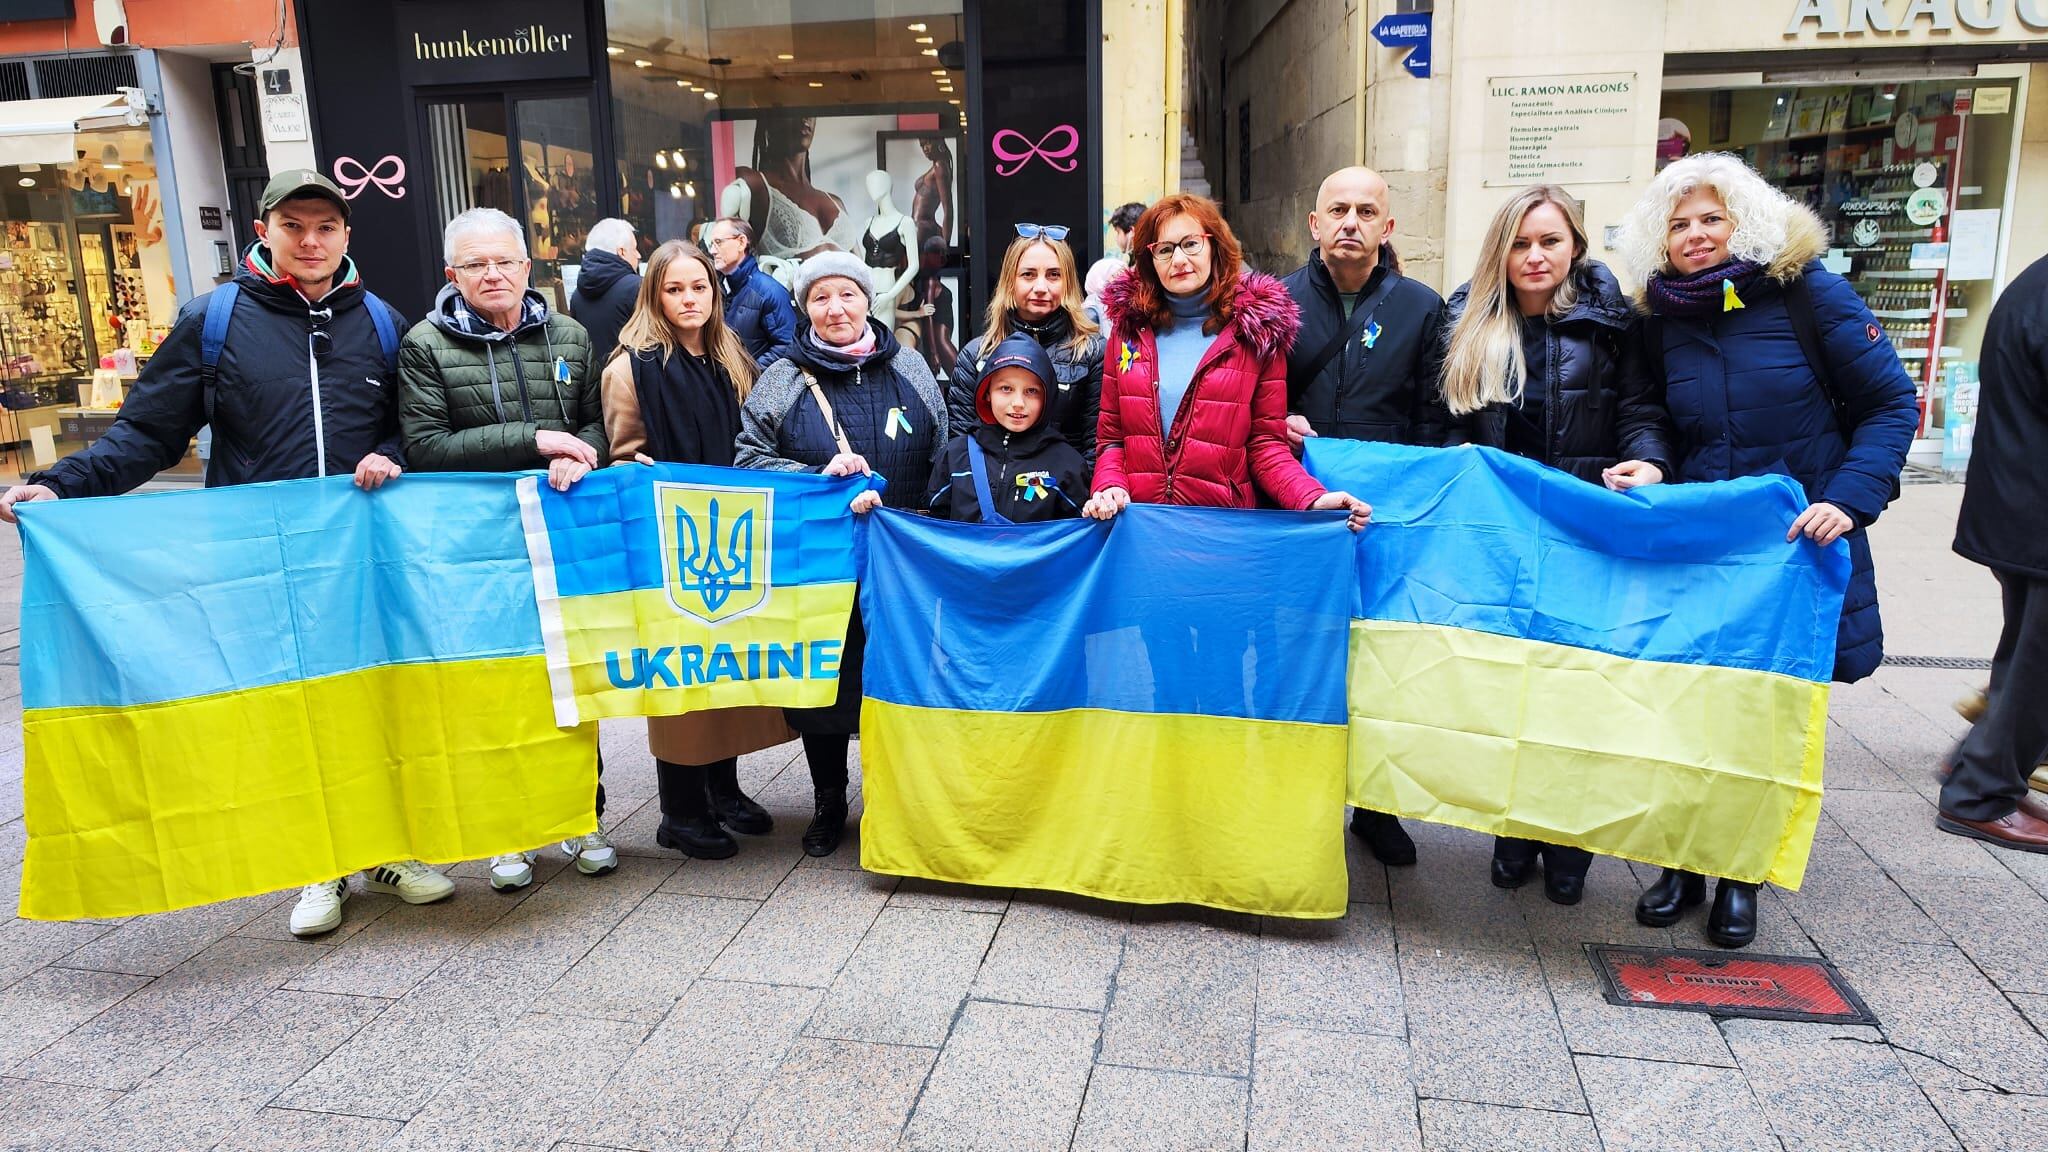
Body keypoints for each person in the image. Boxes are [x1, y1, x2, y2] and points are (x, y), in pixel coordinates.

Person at [0, 170, 450, 939]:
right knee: (289, 704)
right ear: (264, 227)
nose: (310, 243)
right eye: (294, 227)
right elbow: (149, 433)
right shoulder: (215, 320)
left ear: (347, 235)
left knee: (374, 697)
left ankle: (385, 845)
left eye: (326, 228)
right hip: (258, 557)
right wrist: (59, 485)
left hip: (357, 555)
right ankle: (317, 860)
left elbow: (409, 427)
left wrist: (389, 452)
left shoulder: (380, 321)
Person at [1619, 152, 1917, 948]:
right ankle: (1679, 863)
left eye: (1710, 218)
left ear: (1742, 220)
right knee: (1683, 707)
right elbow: (1648, 409)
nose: (1694, 235)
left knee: (1762, 718)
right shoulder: (1659, 316)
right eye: (1678, 223)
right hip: (1699, 545)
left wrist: (1845, 502)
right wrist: (1649, 457)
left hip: (1791, 548)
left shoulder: (1808, 292)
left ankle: (1741, 877)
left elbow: (1892, 403)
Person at [1440, 185, 1676, 906]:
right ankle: (1515, 827)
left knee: (1576, 686)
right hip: (1503, 534)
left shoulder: (1614, 322)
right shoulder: (1467, 320)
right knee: (1511, 684)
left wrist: (1652, 463)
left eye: (1549, 241)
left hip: (1585, 531)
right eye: (1520, 243)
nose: (1534, 256)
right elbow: (1442, 426)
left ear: (1575, 243)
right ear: (1500, 251)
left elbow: (1641, 410)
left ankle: (1568, 837)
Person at [398, 205, 612, 891]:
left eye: (504, 261)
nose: (492, 274)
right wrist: (536, 441)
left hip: (559, 539)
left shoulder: (572, 336)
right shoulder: (425, 345)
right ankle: (507, 836)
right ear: (451, 273)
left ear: (529, 267)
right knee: (492, 686)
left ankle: (581, 816)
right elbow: (425, 448)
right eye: (475, 264)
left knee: (571, 682)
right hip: (474, 550)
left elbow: (597, 427)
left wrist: (585, 458)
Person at [736, 251, 948, 856]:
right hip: (820, 565)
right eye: (821, 298)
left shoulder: (908, 365)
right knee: (825, 687)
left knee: (898, 678)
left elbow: (942, 449)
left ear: (867, 300)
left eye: (847, 295)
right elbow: (748, 460)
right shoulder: (782, 376)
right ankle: (829, 800)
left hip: (900, 560)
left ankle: (892, 798)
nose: (836, 309)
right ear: (804, 307)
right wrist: (816, 473)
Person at [600, 240, 794, 860]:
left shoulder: (733, 355)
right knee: (681, 677)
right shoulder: (629, 366)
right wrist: (637, 466)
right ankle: (680, 810)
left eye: (700, 288)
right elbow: (622, 455)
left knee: (728, 665)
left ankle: (723, 789)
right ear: (654, 295)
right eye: (675, 289)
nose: (689, 299)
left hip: (733, 533)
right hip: (669, 539)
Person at [1280, 166, 1450, 867]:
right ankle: (1302, 797)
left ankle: (1376, 809)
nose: (1351, 221)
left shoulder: (1422, 306)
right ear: (1315, 225)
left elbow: (1437, 415)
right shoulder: (1274, 302)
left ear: (1388, 228)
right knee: (1300, 657)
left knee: (1384, 665)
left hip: (1386, 520)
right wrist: (1274, 420)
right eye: (1338, 209)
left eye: (1366, 210)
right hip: (1298, 516)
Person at [1084, 192, 1370, 527]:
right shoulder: (1128, 331)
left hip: (1224, 530)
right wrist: (1109, 486)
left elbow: (1266, 446)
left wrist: (1312, 497)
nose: (1178, 259)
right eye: (1164, 249)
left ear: (1214, 246)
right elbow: (1112, 441)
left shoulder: (1257, 333)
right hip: (1142, 528)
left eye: (1191, 244)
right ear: (1150, 260)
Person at [1937, 252, 2048, 852]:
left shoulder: (2037, 277)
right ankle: (1978, 793)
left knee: (2027, 660)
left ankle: (1975, 768)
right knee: (2037, 668)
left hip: (2022, 504)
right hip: (2034, 510)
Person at [946, 226, 1104, 463]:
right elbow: (961, 448)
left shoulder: (1092, 351)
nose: (1041, 287)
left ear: (1068, 282)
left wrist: (1077, 496)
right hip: (993, 494)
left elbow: (1096, 445)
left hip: (1067, 492)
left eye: (1053, 275)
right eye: (1028, 274)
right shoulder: (977, 355)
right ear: (1010, 282)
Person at [929, 333, 1089, 523]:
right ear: (986, 392)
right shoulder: (955, 456)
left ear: (1048, 396)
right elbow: (934, 528)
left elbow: (1081, 537)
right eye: (1006, 389)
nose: (1018, 403)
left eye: (1031, 391)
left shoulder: (1067, 464)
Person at [722, 114, 864, 260]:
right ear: (770, 123)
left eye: (811, 111)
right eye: (795, 111)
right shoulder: (754, 183)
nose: (805, 118)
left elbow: (862, 268)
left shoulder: (835, 202)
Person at [704, 216, 798, 370]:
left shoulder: (769, 291)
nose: (713, 251)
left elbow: (787, 345)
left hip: (754, 389)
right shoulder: (718, 288)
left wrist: (749, 374)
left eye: (718, 242)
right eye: (711, 244)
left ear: (741, 242)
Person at [570, 217, 641, 364]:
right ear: (621, 251)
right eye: (634, 249)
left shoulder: (577, 295)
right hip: (630, 381)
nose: (639, 255)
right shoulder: (639, 288)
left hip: (593, 383)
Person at [1083, 200, 1147, 325]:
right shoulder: (1143, 260)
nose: (1117, 238)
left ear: (1131, 232)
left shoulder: (1143, 267)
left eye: (1118, 232)